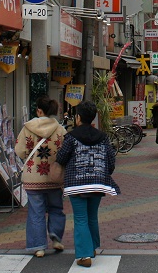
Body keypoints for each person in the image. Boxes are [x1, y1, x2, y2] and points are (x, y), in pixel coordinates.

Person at [56, 101, 120, 268]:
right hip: (98, 182)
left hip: (76, 183)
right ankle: (91, 248)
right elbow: (111, 160)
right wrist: (102, 174)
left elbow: (61, 158)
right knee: (92, 216)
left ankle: (84, 255)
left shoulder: (71, 137)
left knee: (81, 218)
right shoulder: (103, 137)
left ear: (78, 118)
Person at [14, 95, 67, 258]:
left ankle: (38, 247)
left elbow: (20, 150)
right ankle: (56, 238)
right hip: (54, 177)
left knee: (36, 212)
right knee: (56, 208)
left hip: (33, 177)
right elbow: (65, 152)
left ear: (39, 110)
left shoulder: (27, 128)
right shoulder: (60, 130)